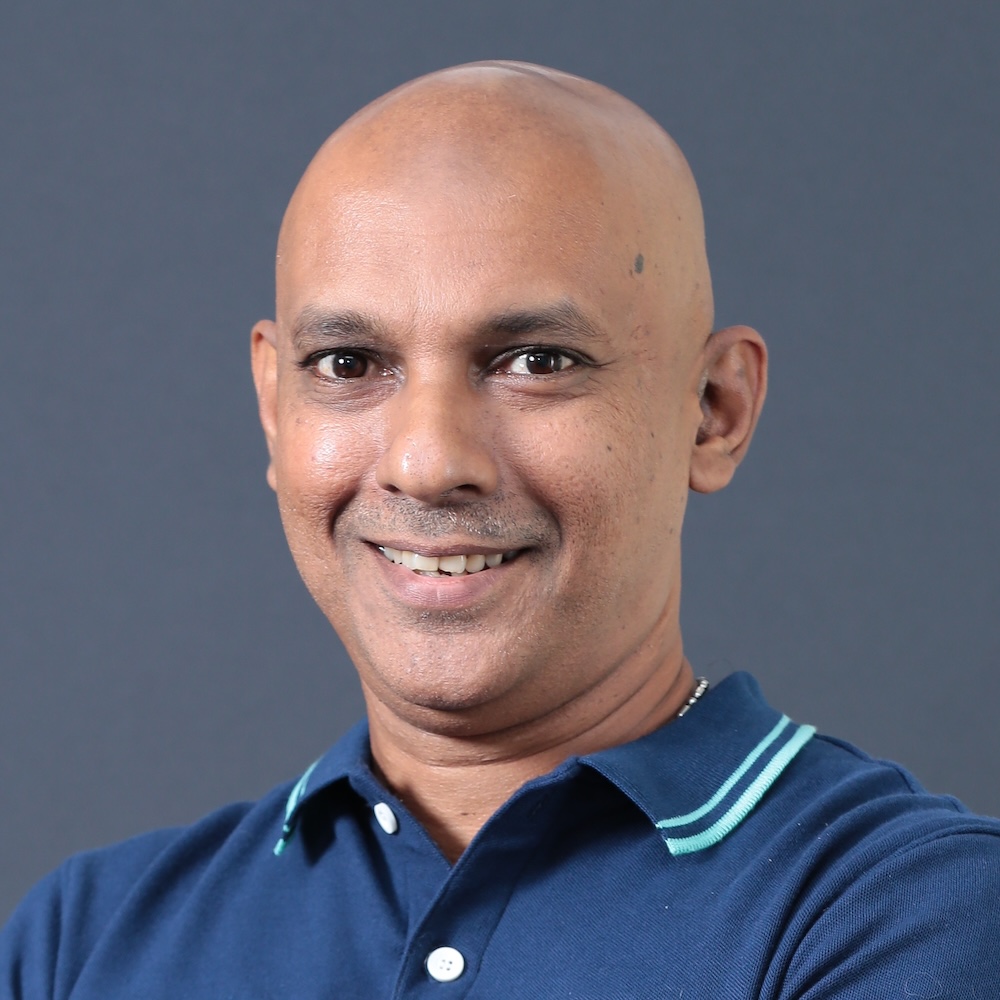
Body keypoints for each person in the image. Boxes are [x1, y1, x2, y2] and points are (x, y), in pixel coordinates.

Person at [3, 60, 999, 999]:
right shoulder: (83, 941)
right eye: (349, 364)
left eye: (536, 361)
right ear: (274, 408)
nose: (426, 460)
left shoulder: (911, 914)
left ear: (712, 411)